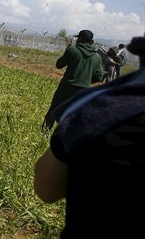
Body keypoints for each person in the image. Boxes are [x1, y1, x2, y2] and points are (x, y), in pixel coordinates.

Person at [33, 35, 145, 239]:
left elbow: (46, 190)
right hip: (84, 86)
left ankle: (47, 131)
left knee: (52, 113)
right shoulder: (96, 56)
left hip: (69, 90)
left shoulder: (99, 108)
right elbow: (99, 75)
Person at [43, 30, 105, 129]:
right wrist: (87, 79)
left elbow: (59, 65)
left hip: (67, 86)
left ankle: (45, 133)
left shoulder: (72, 50)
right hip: (83, 90)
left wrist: (67, 52)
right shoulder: (97, 57)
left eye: (78, 38)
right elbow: (99, 77)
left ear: (80, 39)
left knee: (54, 109)